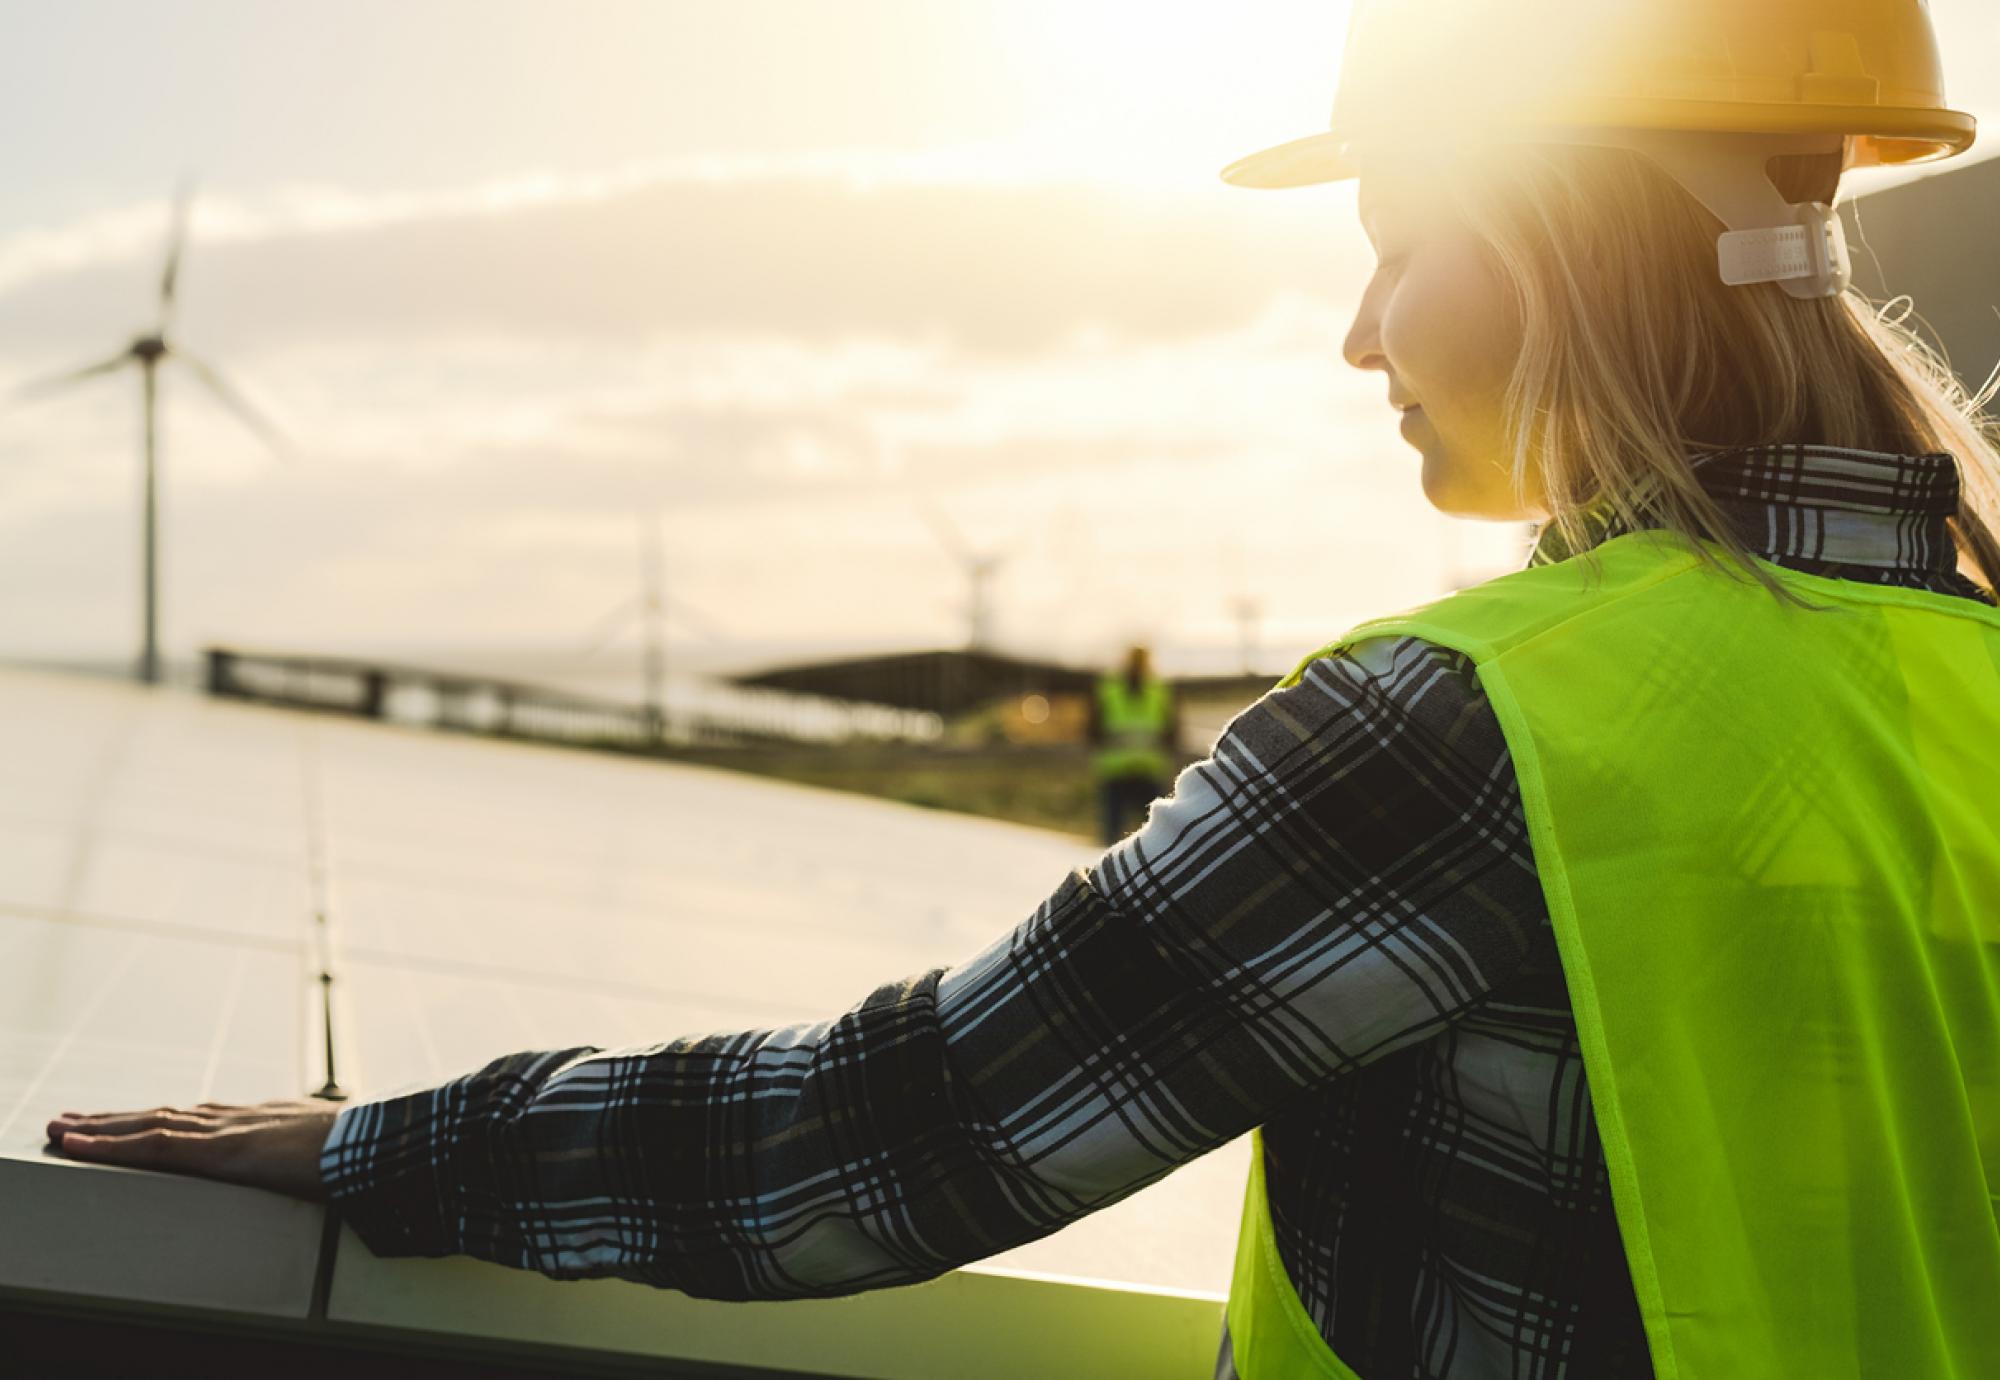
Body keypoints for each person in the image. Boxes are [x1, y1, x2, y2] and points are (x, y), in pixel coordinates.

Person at [48, 2, 2000, 1375]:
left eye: (1400, 248)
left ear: (1566, 244)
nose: (1354, 336)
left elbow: (892, 1134)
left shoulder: (1469, 730)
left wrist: (389, 1141)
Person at [1088, 643, 1180, 844]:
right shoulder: (1113, 690)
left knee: (1153, 837)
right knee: (1149, 836)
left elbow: (1172, 732)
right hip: (1122, 770)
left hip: (1142, 770)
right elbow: (1173, 734)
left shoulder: (1156, 691)